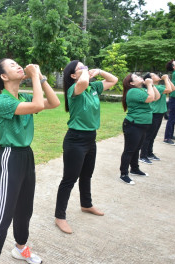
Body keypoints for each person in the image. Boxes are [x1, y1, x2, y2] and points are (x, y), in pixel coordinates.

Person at [0, 59, 60, 264]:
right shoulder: (3, 101)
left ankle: (21, 248)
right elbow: (38, 105)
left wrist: (41, 78)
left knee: (24, 208)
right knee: (3, 212)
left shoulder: (22, 97)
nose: (18, 66)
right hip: (10, 156)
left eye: (18, 63)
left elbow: (53, 103)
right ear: (4, 76)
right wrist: (34, 76)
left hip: (26, 155)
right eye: (12, 65)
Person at [54, 60, 118, 234]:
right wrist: (84, 74)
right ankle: (60, 216)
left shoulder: (93, 87)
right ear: (73, 75)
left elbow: (114, 80)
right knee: (69, 180)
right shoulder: (74, 89)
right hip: (75, 139)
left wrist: (100, 71)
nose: (86, 70)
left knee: (87, 175)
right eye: (81, 68)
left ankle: (86, 204)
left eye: (86, 67)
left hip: (91, 137)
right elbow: (82, 82)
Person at [119, 73, 160, 185]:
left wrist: (151, 85)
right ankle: (123, 174)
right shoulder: (132, 91)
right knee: (129, 150)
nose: (139, 77)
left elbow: (157, 97)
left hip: (142, 125)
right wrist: (149, 85)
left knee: (137, 148)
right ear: (131, 83)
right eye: (136, 77)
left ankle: (135, 169)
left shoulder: (141, 90)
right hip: (133, 124)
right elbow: (150, 98)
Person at [139, 73, 175, 163]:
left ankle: (149, 153)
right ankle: (143, 155)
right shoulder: (155, 87)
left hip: (159, 113)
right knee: (148, 135)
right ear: (150, 79)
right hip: (154, 113)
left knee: (153, 135)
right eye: (154, 75)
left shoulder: (159, 86)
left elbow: (173, 88)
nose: (157, 75)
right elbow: (169, 89)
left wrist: (168, 79)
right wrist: (166, 79)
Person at [164, 60, 175, 145]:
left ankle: (170, 135)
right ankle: (167, 138)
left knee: (173, 118)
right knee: (172, 118)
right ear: (174, 67)